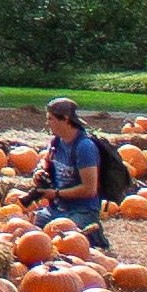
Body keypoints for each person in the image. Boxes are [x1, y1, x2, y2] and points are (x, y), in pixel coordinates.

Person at [26, 96, 109, 245]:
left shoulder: (84, 147)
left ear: (64, 119)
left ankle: (93, 235)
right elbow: (45, 164)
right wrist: (39, 173)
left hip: (82, 210)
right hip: (57, 208)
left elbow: (89, 189)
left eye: (50, 119)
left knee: (65, 240)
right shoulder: (56, 142)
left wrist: (56, 193)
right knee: (31, 235)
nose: (47, 123)